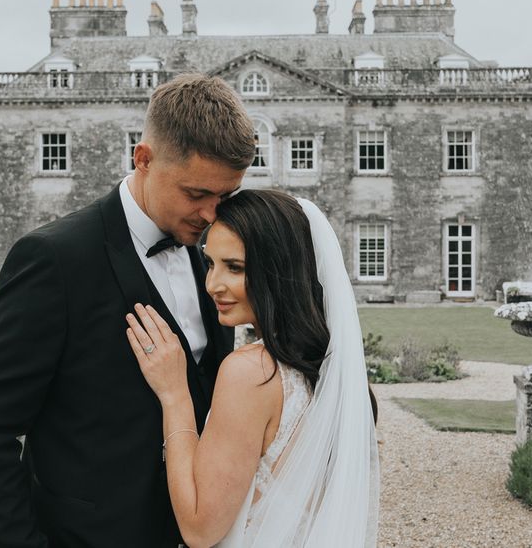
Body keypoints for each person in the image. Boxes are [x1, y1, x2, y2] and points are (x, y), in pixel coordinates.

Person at [0, 74, 257, 548]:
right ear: (144, 159)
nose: (213, 215)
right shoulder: (53, 259)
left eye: (225, 197)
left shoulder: (211, 263)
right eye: (196, 194)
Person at [126, 190, 379, 548]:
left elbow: (200, 529)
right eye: (210, 263)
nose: (212, 285)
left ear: (278, 270)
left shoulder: (251, 372)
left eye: (235, 267)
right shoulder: (326, 368)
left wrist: (174, 394)